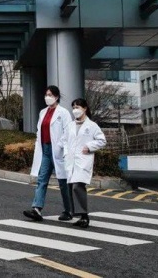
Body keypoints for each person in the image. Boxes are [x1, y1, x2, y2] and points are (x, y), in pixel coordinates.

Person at [23, 85, 73, 222]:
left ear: (56, 97)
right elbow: (39, 131)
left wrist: (60, 146)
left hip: (59, 151)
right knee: (42, 179)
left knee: (63, 182)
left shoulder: (63, 113)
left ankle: (68, 211)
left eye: (50, 95)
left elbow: (68, 132)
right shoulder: (42, 112)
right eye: (46, 95)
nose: (47, 97)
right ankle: (37, 209)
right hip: (45, 150)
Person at [62, 98, 106, 228]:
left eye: (78, 107)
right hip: (70, 160)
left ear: (85, 108)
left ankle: (85, 216)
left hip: (83, 160)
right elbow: (64, 140)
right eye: (74, 107)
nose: (75, 110)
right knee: (71, 188)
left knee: (77, 187)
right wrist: (65, 153)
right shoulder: (70, 125)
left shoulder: (92, 126)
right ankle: (80, 216)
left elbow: (102, 140)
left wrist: (90, 146)